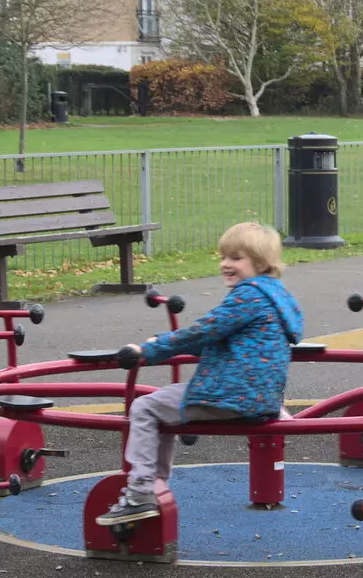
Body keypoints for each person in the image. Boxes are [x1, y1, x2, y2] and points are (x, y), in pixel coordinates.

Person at [97, 222, 303, 526]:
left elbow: (203, 331)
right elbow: (222, 340)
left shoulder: (248, 296)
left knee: (145, 407)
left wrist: (149, 350)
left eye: (236, 258)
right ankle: (155, 486)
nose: (226, 264)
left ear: (261, 264)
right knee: (164, 410)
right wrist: (165, 344)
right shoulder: (276, 297)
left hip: (230, 395)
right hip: (262, 400)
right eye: (223, 257)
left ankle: (141, 492)